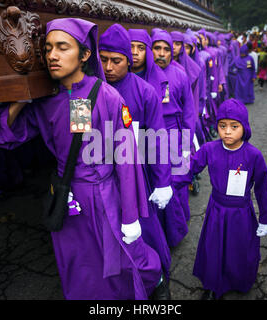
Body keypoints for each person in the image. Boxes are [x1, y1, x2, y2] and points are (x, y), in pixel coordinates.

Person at [0, 18, 162, 300]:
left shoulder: (107, 97)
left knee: (120, 260)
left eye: (62, 47)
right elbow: (4, 136)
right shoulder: (46, 100)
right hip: (68, 196)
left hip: (105, 197)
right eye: (47, 48)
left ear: (84, 55)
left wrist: (130, 216)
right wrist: (23, 96)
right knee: (79, 264)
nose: (52, 55)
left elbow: (127, 161)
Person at [98, 23, 173, 298]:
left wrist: (163, 181)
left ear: (128, 62)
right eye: (103, 59)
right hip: (102, 176)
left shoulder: (145, 92)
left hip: (138, 174)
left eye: (116, 61)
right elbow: (77, 136)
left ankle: (158, 279)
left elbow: (157, 140)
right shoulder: (87, 93)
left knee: (144, 231)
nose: (108, 67)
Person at [190, 98, 267, 300]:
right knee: (214, 247)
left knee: (239, 248)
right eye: (222, 126)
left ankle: (239, 281)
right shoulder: (209, 149)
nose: (227, 131)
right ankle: (212, 284)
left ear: (244, 127)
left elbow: (263, 188)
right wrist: (166, 183)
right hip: (217, 210)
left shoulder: (254, 156)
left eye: (234, 126)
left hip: (241, 213)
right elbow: (188, 169)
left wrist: (266, 218)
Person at [151, 29, 195, 247]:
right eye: (157, 48)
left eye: (166, 49)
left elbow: (189, 111)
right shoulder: (143, 75)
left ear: (172, 53)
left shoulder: (180, 75)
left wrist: (187, 145)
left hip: (175, 134)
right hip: (150, 138)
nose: (161, 53)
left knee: (177, 182)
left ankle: (178, 228)